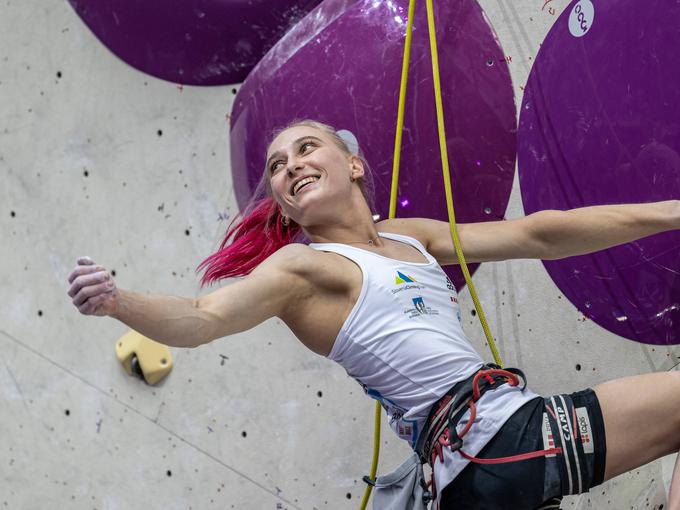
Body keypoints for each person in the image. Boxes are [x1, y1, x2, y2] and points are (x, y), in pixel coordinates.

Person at [67, 119, 680, 509]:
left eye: (306, 148)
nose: (290, 166)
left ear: (353, 165)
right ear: (284, 207)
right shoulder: (303, 270)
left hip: (478, 464)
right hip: (489, 444)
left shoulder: (410, 239)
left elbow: (542, 236)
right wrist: (119, 302)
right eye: (278, 167)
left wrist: (669, 212)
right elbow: (204, 316)